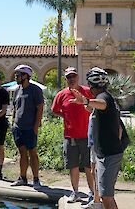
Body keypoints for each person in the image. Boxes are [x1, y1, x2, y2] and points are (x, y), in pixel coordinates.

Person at [70, 67, 124, 209]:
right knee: (107, 196)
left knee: (106, 197)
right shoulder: (105, 97)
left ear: (91, 85)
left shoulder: (103, 98)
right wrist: (85, 104)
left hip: (109, 154)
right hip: (107, 153)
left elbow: (102, 104)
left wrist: (86, 101)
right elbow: (97, 109)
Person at [51, 67, 95, 203]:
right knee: (73, 165)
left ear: (78, 77)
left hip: (88, 136)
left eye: (73, 76)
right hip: (70, 137)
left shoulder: (87, 92)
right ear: (66, 79)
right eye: (69, 77)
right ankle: (75, 192)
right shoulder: (61, 94)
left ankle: (93, 193)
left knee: (89, 166)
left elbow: (96, 107)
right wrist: (65, 116)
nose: (71, 79)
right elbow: (54, 110)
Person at [11, 64, 44, 189]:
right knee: (22, 152)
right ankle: (22, 178)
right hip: (18, 128)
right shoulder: (17, 90)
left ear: (26, 76)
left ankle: (36, 179)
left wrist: (36, 126)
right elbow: (15, 108)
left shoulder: (35, 90)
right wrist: (13, 122)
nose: (16, 77)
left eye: (18, 75)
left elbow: (40, 108)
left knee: (33, 153)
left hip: (30, 128)